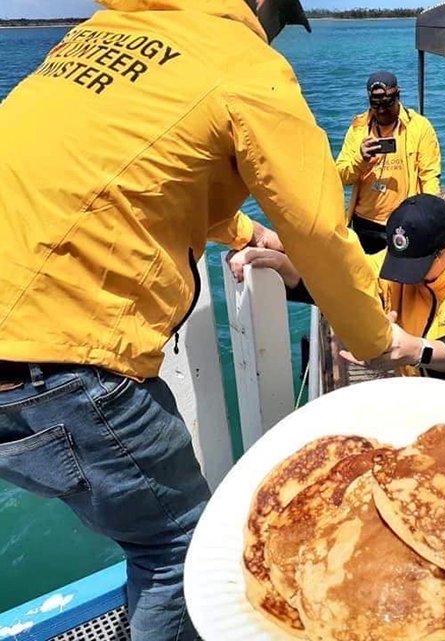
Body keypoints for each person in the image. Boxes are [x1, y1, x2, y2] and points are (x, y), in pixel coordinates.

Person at [0, 1, 420, 639]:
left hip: (19, 346)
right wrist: (377, 338)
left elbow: (142, 172)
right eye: (276, 18)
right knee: (180, 554)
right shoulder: (245, 65)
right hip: (62, 357)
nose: (270, 34)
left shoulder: (96, 35)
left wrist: (250, 231)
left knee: (142, 535)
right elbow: (316, 227)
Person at [230, 192, 445, 417]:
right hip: (440, 413)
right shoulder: (405, 265)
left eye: (417, 267)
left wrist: (415, 350)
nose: (406, 279)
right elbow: (350, 281)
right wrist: (287, 269)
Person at [336, 71, 442, 253]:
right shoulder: (358, 129)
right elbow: (341, 176)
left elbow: (429, 177)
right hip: (365, 223)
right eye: (375, 105)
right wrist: (360, 158)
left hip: (406, 220)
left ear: (398, 96)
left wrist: (429, 218)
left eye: (387, 103)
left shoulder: (419, 127)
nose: (382, 110)